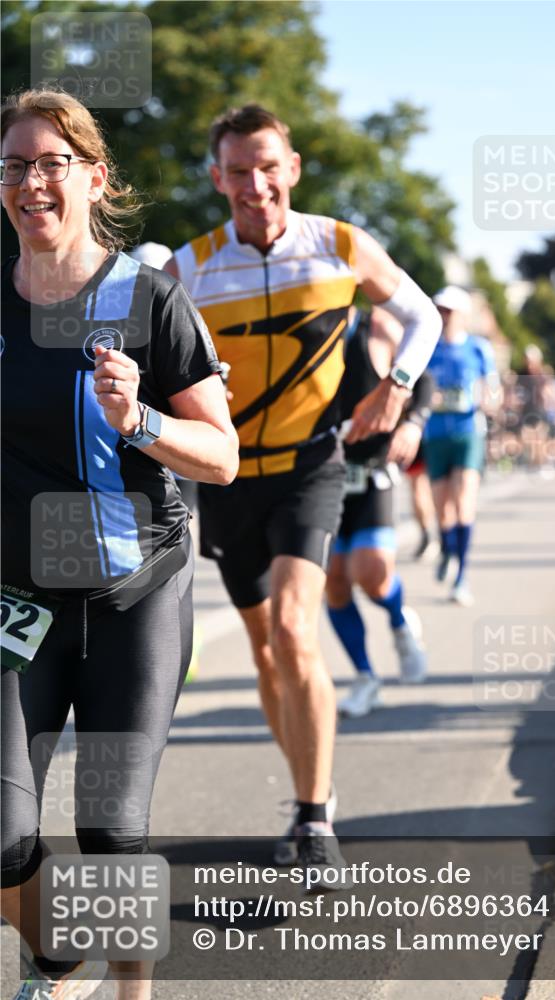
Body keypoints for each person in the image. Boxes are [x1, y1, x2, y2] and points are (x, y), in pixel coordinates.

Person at [1, 89, 238, 1000]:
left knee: (110, 832)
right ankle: (60, 953)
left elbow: (221, 457)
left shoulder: (149, 298)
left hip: (131, 595)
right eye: (14, 166)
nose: (31, 182)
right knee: (2, 837)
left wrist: (139, 419)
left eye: (51, 164)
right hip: (17, 603)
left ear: (95, 178)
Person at [165, 104, 441, 871]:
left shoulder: (339, 244)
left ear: (291, 168)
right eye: (238, 171)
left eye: (267, 167)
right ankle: (305, 793)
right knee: (265, 652)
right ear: (217, 178)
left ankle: (316, 819)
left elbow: (420, 316)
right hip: (226, 479)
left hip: (309, 466)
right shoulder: (188, 268)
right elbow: (144, 362)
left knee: (293, 628)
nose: (255, 185)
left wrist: (396, 386)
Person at [326, 307, 433, 718]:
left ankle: (399, 620)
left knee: (370, 573)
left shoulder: (378, 327)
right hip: (323, 474)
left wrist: (413, 423)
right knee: (335, 582)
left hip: (372, 471)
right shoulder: (299, 327)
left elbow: (423, 379)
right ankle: (365, 677)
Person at [424, 286, 498, 607]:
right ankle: (446, 548)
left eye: (449, 311)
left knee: (464, 499)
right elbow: (415, 387)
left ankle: (461, 577)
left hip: (468, 432)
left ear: (463, 315)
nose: (444, 316)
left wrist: (487, 401)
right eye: (440, 309)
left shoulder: (478, 349)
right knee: (443, 508)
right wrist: (428, 399)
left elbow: (493, 391)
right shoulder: (428, 347)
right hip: (435, 434)